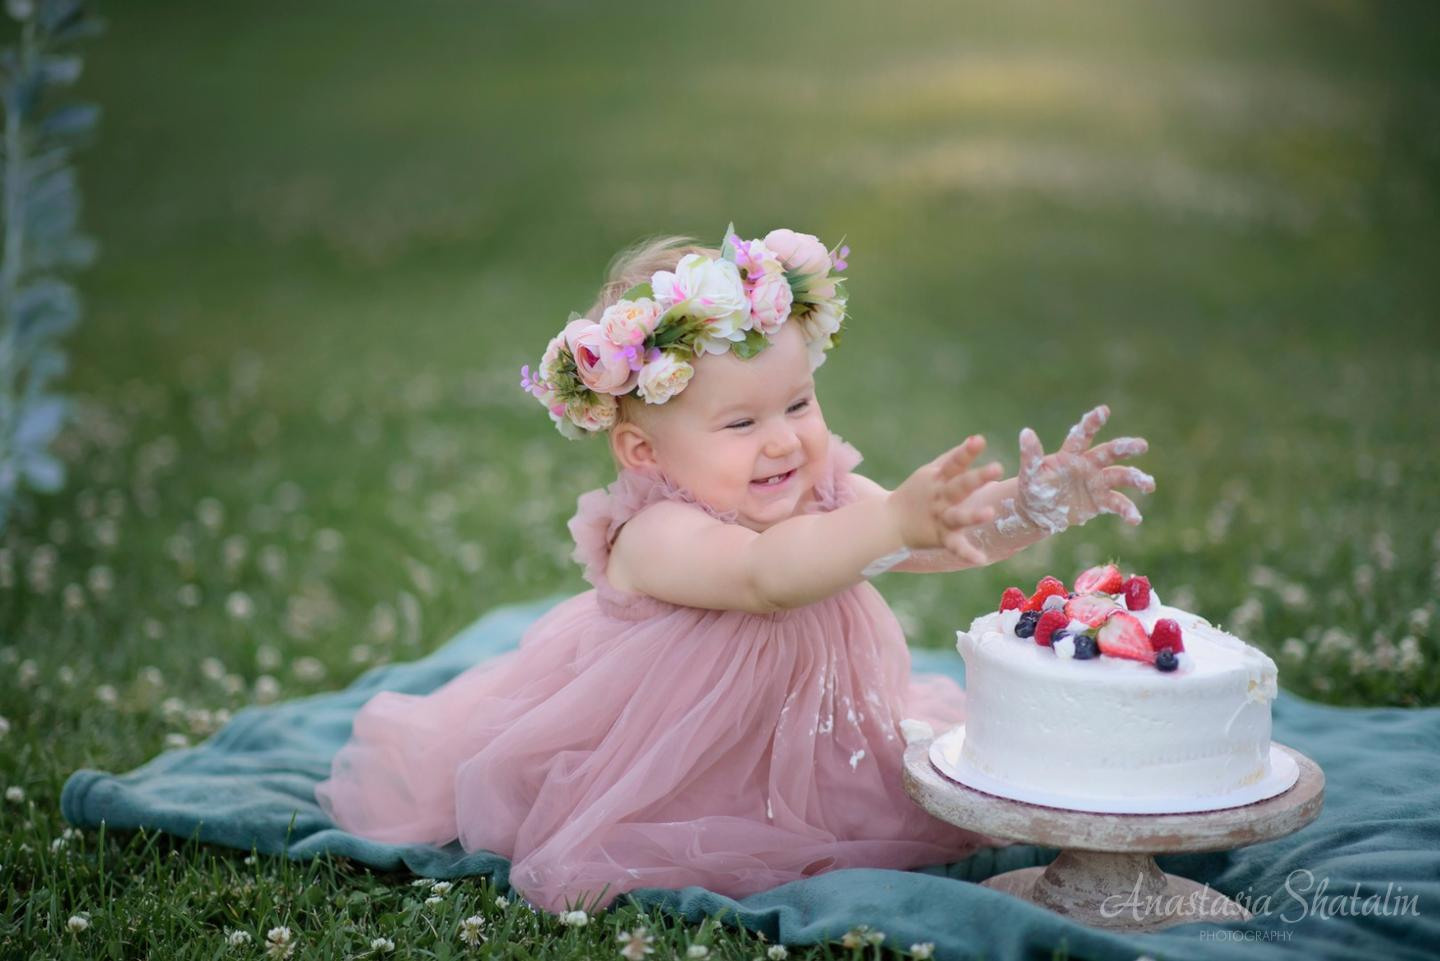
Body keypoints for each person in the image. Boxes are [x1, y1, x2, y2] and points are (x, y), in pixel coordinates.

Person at [313, 224, 1156, 914]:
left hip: (810, 739)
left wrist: (1036, 504)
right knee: (691, 839)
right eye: (741, 421)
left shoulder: (827, 493)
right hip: (668, 763)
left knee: (903, 789)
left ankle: (814, 790)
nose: (784, 439)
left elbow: (935, 540)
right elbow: (766, 574)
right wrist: (889, 517)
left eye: (798, 403)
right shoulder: (656, 535)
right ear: (644, 448)